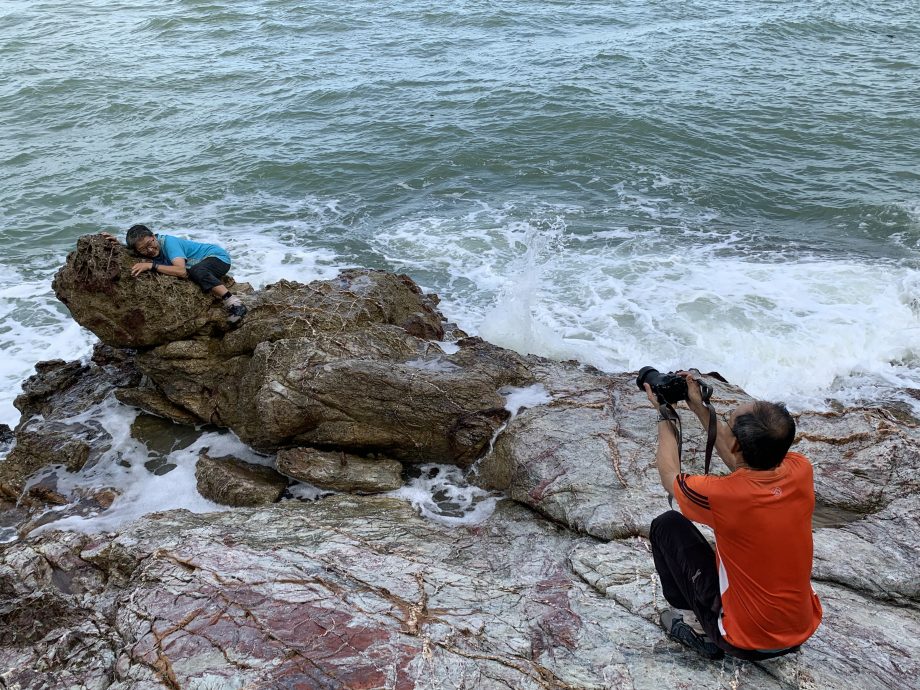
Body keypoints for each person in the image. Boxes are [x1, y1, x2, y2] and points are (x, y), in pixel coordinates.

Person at [643, 372, 822, 661]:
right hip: (800, 630)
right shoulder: (801, 470)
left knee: (667, 526)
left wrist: (664, 414)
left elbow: (670, 476)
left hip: (744, 640)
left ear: (738, 444)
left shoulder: (723, 495)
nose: (724, 423)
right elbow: (744, 460)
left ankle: (697, 630)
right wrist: (700, 407)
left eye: (728, 420)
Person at [103, 225, 247, 324]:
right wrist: (118, 244)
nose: (150, 250)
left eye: (150, 243)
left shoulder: (168, 243)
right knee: (195, 271)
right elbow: (132, 251)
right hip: (201, 264)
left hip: (218, 257)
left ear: (153, 236)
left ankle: (234, 303)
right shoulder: (142, 249)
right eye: (143, 249)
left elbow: (181, 271)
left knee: (196, 271)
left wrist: (151, 266)